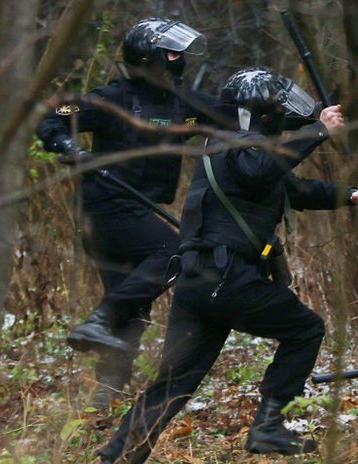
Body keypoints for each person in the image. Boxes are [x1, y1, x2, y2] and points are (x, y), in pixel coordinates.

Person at [73, 67, 358, 464]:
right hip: (226, 278)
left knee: (170, 389)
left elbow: (294, 189)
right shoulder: (238, 147)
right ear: (261, 112)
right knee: (306, 330)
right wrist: (319, 131)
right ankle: (268, 424)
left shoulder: (238, 148)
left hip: (199, 283)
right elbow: (263, 172)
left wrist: (353, 195)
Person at [36, 18, 224, 408]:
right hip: (104, 207)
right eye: (172, 52)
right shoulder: (110, 99)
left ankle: (105, 396)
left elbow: (233, 114)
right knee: (173, 251)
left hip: (135, 209)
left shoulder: (182, 105)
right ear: (148, 56)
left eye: (180, 53)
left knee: (132, 306)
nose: (179, 59)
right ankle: (101, 318)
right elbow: (51, 117)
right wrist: (69, 147)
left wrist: (311, 118)